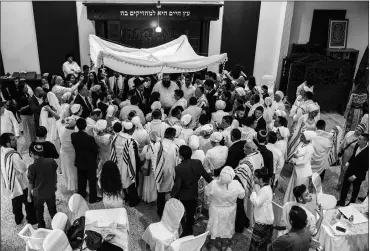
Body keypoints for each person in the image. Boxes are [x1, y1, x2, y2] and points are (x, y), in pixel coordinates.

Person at [170, 145, 213, 236]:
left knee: (181, 213)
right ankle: (190, 230)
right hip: (194, 192)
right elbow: (206, 176)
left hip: (183, 194)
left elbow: (177, 185)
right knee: (190, 213)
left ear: (181, 156)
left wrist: (172, 194)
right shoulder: (197, 162)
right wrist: (215, 183)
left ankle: (184, 231)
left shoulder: (179, 167)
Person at [0, 133, 37, 225]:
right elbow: (22, 168)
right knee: (29, 201)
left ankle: (18, 219)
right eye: (13, 140)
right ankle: (32, 220)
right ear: (7, 143)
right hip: (19, 183)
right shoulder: (13, 155)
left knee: (15, 202)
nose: (16, 141)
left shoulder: (2, 150)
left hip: (9, 183)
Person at [205, 166, 244, 249]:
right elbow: (241, 196)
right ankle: (224, 245)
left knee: (214, 226)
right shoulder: (236, 184)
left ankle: (211, 244)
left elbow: (207, 192)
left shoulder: (214, 183)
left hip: (215, 209)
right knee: (227, 226)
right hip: (230, 210)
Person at [234, 140, 263, 232]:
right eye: (244, 146)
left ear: (253, 149)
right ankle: (250, 221)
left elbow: (240, 176)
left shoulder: (246, 164)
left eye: (247, 147)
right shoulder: (258, 154)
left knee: (245, 205)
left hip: (247, 186)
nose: (244, 149)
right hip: (255, 183)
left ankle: (245, 222)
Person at [71, 118, 101, 203]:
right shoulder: (90, 138)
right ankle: (93, 198)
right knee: (92, 182)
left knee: (81, 180)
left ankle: (82, 195)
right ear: (86, 126)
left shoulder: (73, 135)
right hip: (90, 162)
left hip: (79, 161)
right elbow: (95, 150)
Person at [27, 144, 58, 228]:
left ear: (33, 154)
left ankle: (41, 226)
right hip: (50, 192)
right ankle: (57, 226)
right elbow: (54, 173)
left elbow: (30, 182)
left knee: (39, 212)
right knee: (53, 210)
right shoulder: (52, 161)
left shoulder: (32, 167)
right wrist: (55, 184)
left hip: (38, 194)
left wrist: (29, 195)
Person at [284, 131, 316, 204]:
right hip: (296, 169)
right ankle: (291, 200)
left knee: (299, 189)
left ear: (307, 139)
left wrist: (295, 162)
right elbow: (298, 152)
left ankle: (297, 203)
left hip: (303, 172)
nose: (300, 138)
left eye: (302, 137)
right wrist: (296, 155)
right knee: (293, 185)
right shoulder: (302, 144)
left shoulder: (310, 148)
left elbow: (305, 161)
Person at [337, 133, 369, 206]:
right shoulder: (357, 145)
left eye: (360, 139)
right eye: (358, 138)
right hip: (350, 170)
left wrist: (354, 176)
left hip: (358, 175)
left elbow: (365, 168)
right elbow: (353, 156)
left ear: (365, 141)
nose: (357, 140)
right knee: (345, 186)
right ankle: (342, 201)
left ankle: (351, 204)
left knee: (355, 190)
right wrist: (347, 164)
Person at [153, 127, 179, 217]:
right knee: (169, 192)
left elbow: (154, 160)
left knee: (160, 192)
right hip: (170, 173)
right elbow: (177, 162)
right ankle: (168, 212)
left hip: (159, 172)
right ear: (173, 136)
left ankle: (160, 211)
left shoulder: (158, 144)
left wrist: (155, 172)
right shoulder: (175, 147)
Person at [249, 168, 274, 251]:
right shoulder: (267, 187)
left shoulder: (264, 190)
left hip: (262, 222)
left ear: (260, 179)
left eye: (255, 177)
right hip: (266, 221)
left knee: (256, 244)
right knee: (261, 244)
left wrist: (253, 191)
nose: (253, 179)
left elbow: (257, 203)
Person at [117, 121, 141, 207]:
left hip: (118, 162)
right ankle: (133, 201)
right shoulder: (131, 141)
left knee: (121, 180)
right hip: (128, 164)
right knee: (131, 182)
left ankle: (125, 197)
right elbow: (135, 156)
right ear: (132, 130)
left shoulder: (117, 137)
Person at [337, 123, 365, 190]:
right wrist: (339, 149)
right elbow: (344, 142)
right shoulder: (350, 133)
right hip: (345, 155)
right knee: (342, 170)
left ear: (362, 132)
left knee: (348, 172)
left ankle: (345, 186)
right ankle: (339, 184)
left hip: (352, 158)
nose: (357, 131)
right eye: (357, 128)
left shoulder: (360, 139)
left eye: (359, 130)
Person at [58, 117, 78, 191]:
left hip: (63, 152)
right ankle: (74, 187)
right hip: (72, 153)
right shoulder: (75, 132)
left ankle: (68, 184)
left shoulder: (62, 129)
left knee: (66, 169)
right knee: (73, 170)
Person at [15, 82, 36, 148]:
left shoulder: (27, 93)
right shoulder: (19, 96)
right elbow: (20, 109)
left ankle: (34, 142)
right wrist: (29, 105)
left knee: (32, 130)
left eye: (26, 87)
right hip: (25, 115)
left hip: (30, 114)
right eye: (25, 87)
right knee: (27, 130)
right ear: (21, 88)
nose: (27, 88)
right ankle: (30, 145)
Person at [140, 131, 159, 203]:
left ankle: (148, 198)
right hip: (156, 168)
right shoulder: (159, 147)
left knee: (147, 183)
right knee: (154, 183)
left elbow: (141, 158)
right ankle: (154, 198)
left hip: (148, 168)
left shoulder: (146, 147)